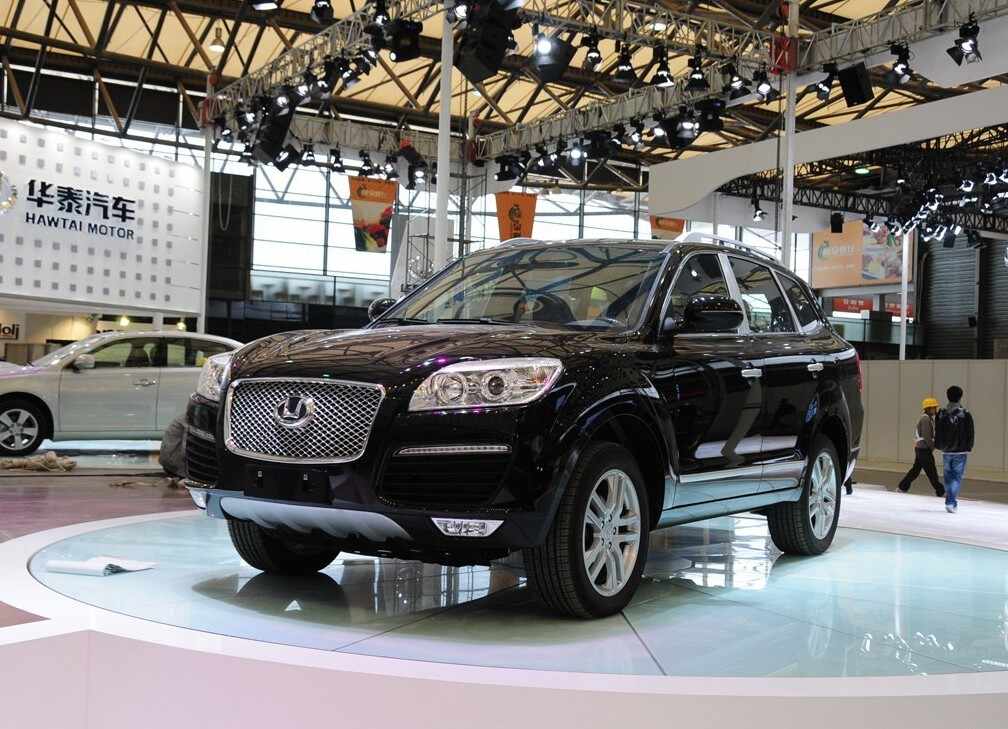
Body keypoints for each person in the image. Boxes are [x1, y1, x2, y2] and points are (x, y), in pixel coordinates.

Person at [935, 385, 974, 514]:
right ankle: (950, 502)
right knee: (956, 477)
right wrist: (969, 446)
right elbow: (970, 432)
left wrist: (938, 445)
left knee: (948, 476)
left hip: (946, 450)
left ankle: (951, 501)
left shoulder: (941, 413)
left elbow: (937, 430)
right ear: (960, 397)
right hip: (960, 451)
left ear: (947, 396)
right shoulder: (965, 413)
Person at [897, 397, 945, 497]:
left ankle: (902, 487)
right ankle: (941, 491)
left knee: (915, 470)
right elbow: (926, 436)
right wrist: (932, 447)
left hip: (921, 449)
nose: (935, 409)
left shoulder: (928, 419)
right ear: (928, 408)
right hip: (924, 450)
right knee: (931, 471)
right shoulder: (925, 419)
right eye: (934, 407)